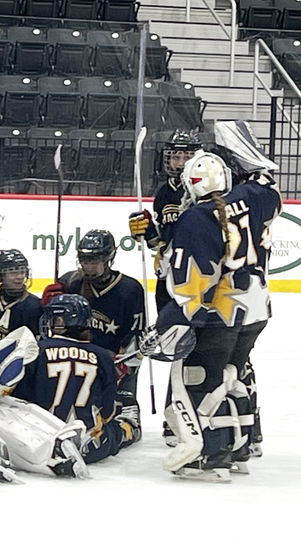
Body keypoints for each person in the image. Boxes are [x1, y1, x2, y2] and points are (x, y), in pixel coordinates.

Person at [159, 147, 281, 482]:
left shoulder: (197, 218)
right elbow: (269, 188)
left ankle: (211, 455)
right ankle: (240, 448)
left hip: (219, 314)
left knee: (200, 380)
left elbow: (191, 280)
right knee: (233, 375)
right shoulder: (251, 197)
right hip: (256, 308)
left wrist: (175, 317)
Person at [129, 129, 203, 446]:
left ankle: (198, 415)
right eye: (176, 155)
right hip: (168, 281)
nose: (181, 162)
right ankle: (175, 417)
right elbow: (161, 242)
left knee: (200, 350)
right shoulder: (163, 193)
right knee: (176, 347)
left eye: (187, 156)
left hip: (197, 283)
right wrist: (147, 233)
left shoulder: (206, 191)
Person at [15, 294, 139, 465]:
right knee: (114, 429)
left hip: (39, 443)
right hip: (91, 447)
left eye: (54, 318)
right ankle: (128, 427)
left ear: (60, 322)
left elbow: (20, 399)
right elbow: (107, 411)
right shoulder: (103, 356)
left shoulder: (37, 350)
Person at [54, 230, 147, 434]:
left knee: (122, 419)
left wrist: (124, 365)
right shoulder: (70, 282)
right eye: (84, 261)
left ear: (108, 258)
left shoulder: (130, 289)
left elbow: (136, 335)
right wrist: (48, 305)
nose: (88, 266)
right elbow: (56, 331)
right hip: (79, 361)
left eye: (94, 261)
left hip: (114, 363)